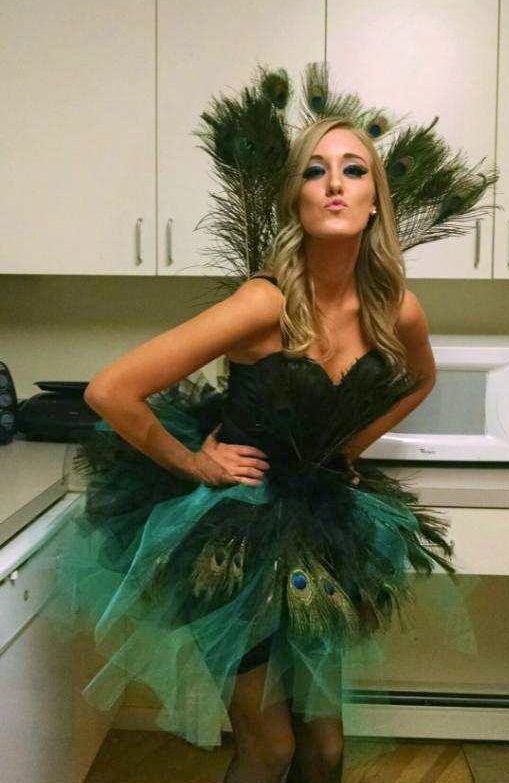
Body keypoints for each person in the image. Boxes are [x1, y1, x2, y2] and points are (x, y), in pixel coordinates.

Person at [47, 118, 473, 783]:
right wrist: (193, 461)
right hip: (237, 536)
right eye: (315, 170)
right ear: (296, 200)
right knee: (270, 747)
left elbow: (421, 379)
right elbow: (112, 390)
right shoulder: (262, 303)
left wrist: (348, 446)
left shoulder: (396, 309)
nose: (334, 183)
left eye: (354, 169)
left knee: (325, 748)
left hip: (324, 528)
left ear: (375, 201)